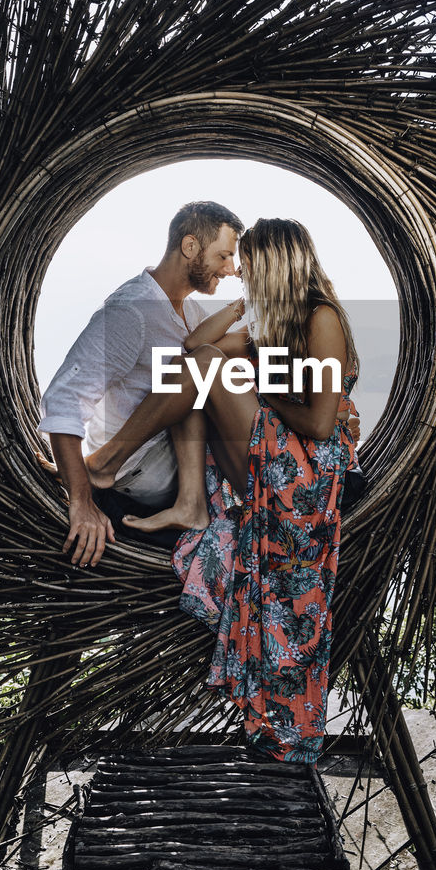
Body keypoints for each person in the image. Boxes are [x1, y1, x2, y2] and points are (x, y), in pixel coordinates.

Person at [84, 218, 359, 763]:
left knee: (208, 372)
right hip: (271, 467)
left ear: (278, 263)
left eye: (251, 264)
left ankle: (105, 463)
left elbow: (323, 422)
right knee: (198, 367)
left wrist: (261, 389)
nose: (242, 274)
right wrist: (243, 313)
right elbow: (192, 343)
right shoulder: (268, 327)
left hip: (307, 480)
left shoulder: (319, 318)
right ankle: (178, 497)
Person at [38, 201, 244, 567]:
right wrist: (81, 500)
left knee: (221, 367)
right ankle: (101, 467)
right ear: (191, 247)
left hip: (183, 457)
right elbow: (63, 401)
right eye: (224, 256)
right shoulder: (130, 311)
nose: (231, 269)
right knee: (204, 363)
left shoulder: (192, 313)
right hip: (145, 471)